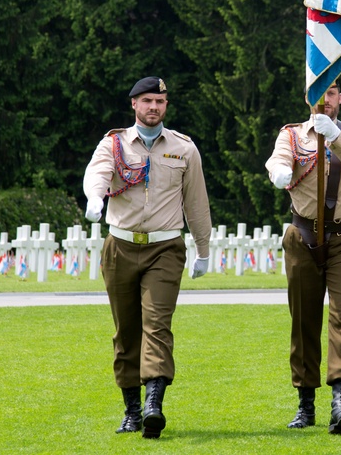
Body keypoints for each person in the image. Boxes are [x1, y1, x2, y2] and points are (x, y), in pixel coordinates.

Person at [83, 76, 212, 439]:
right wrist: (95, 198)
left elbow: (197, 204)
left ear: (166, 106)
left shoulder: (184, 149)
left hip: (165, 248)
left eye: (160, 101)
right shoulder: (115, 143)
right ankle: (132, 410)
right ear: (134, 105)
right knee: (126, 332)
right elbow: (98, 173)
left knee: (157, 324)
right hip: (120, 246)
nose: (153, 107)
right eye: (147, 101)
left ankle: (154, 403)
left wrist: (203, 249)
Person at [265, 82, 341, 435]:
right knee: (304, 321)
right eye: (320, 93)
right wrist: (277, 170)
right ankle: (305, 403)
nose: (326, 100)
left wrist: (336, 137)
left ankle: (340, 401)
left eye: (333, 93)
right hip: (303, 236)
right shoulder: (293, 135)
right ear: (309, 98)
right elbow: (280, 159)